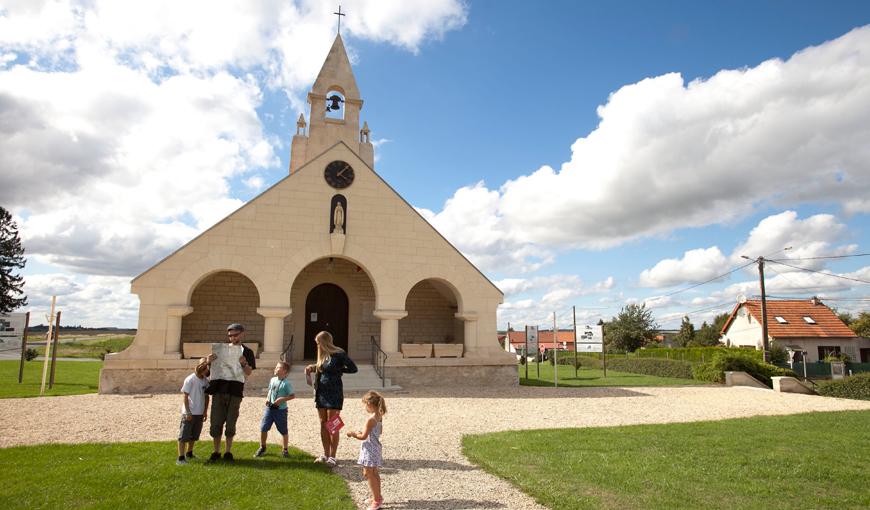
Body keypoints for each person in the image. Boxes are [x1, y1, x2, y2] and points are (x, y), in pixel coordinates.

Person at [304, 330, 357, 466]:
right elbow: (323, 369)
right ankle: (325, 453)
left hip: (334, 392)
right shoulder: (322, 355)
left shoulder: (339, 354)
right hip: (321, 392)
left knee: (332, 424)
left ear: (324, 342)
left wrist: (339, 370)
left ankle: (333, 456)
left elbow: (353, 368)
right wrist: (312, 368)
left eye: (318, 343)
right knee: (323, 422)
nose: (317, 346)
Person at [205, 323, 256, 462]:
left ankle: (228, 452)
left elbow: (249, 372)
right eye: (230, 336)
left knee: (231, 422)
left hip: (235, 391)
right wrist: (208, 362)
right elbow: (209, 371)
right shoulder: (221, 350)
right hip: (219, 389)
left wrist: (244, 363)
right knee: (216, 422)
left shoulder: (247, 352)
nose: (232, 338)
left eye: (235, 335)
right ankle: (216, 451)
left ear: (242, 334)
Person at [346, 391, 387, 510]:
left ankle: (377, 501)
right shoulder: (379, 416)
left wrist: (353, 434)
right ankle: (377, 496)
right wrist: (363, 432)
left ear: (370, 404)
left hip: (370, 449)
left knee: (369, 474)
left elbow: (363, 437)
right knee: (372, 473)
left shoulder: (370, 419)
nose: (364, 407)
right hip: (375, 447)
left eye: (365, 404)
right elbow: (377, 432)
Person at [254, 361, 296, 458]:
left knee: (283, 430)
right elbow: (270, 391)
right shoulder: (273, 380)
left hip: (280, 411)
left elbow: (292, 396)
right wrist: (267, 399)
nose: (275, 368)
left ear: (284, 371)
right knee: (263, 428)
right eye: (276, 367)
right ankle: (262, 447)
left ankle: (285, 449)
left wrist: (282, 399)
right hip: (269, 409)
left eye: (278, 367)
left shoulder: (286, 384)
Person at [176, 358, 210, 465]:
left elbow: (207, 396)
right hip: (190, 412)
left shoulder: (205, 380)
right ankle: (180, 458)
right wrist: (187, 412)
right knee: (184, 435)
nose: (206, 372)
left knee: (194, 434)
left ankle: (189, 453)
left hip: (199, 412)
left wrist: (205, 411)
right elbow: (185, 396)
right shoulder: (190, 379)